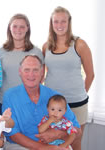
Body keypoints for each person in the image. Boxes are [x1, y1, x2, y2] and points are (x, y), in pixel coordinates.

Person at [42, 6, 94, 150]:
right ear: (51, 24)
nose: (59, 25)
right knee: (53, 142)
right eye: (56, 22)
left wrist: (79, 94)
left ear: (69, 23)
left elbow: (90, 74)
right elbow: (45, 74)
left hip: (76, 104)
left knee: (75, 142)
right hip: (52, 106)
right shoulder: (46, 47)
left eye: (63, 21)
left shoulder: (79, 44)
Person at [2, 55, 80, 150]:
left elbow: (77, 130)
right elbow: (12, 133)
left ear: (42, 72)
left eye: (35, 70)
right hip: (21, 146)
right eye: (27, 70)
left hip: (56, 144)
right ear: (20, 72)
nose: (31, 74)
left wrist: (59, 134)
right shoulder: (10, 96)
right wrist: (43, 148)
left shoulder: (55, 96)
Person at [0, 13, 44, 104]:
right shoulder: (0, 52)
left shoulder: (36, 52)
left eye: (22, 27)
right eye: (15, 26)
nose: (18, 30)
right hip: (6, 101)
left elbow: (41, 77)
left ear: (27, 28)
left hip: (30, 102)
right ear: (9, 28)